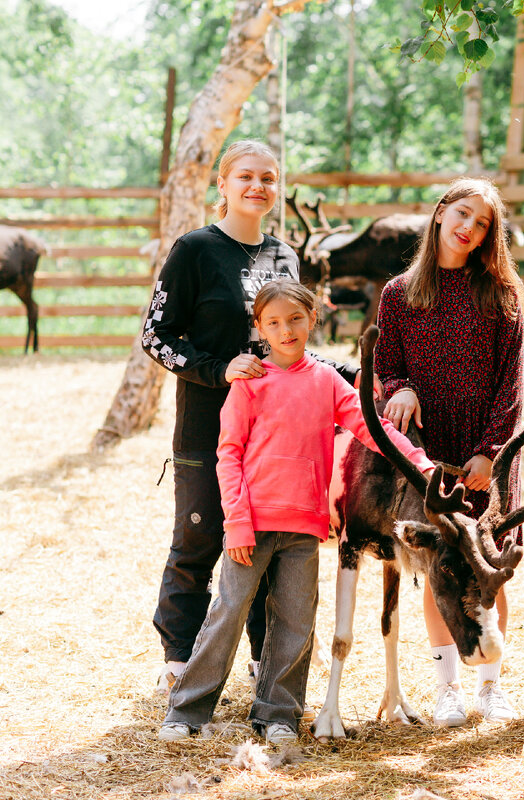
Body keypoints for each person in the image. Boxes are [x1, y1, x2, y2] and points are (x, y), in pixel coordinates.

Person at [158, 280, 434, 743]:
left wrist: (420, 465)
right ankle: (185, 712)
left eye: (295, 320)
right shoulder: (249, 384)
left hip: (304, 527)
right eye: (274, 323)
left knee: (295, 620)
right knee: (227, 612)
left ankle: (278, 715)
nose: (286, 330)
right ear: (259, 327)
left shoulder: (327, 381)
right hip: (253, 523)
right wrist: (238, 523)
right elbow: (228, 455)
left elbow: (372, 426)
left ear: (312, 320)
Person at [142, 140, 359, 692]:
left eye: (268, 177)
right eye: (246, 176)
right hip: (206, 424)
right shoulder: (193, 249)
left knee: (268, 544)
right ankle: (180, 663)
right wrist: (219, 370)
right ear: (223, 183)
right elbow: (155, 336)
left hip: (277, 434)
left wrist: (356, 375)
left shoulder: (284, 256)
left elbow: (290, 343)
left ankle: (266, 661)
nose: (257, 186)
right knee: (200, 540)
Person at [373, 177, 524, 726]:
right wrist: (401, 389)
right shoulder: (399, 294)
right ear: (440, 213)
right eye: (462, 214)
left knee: (486, 569)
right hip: (427, 455)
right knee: (442, 568)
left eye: (482, 222)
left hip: (486, 453)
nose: (469, 228)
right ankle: (448, 688)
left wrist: (492, 452)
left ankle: (492, 686)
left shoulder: (501, 294)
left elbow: (511, 382)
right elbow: (384, 366)